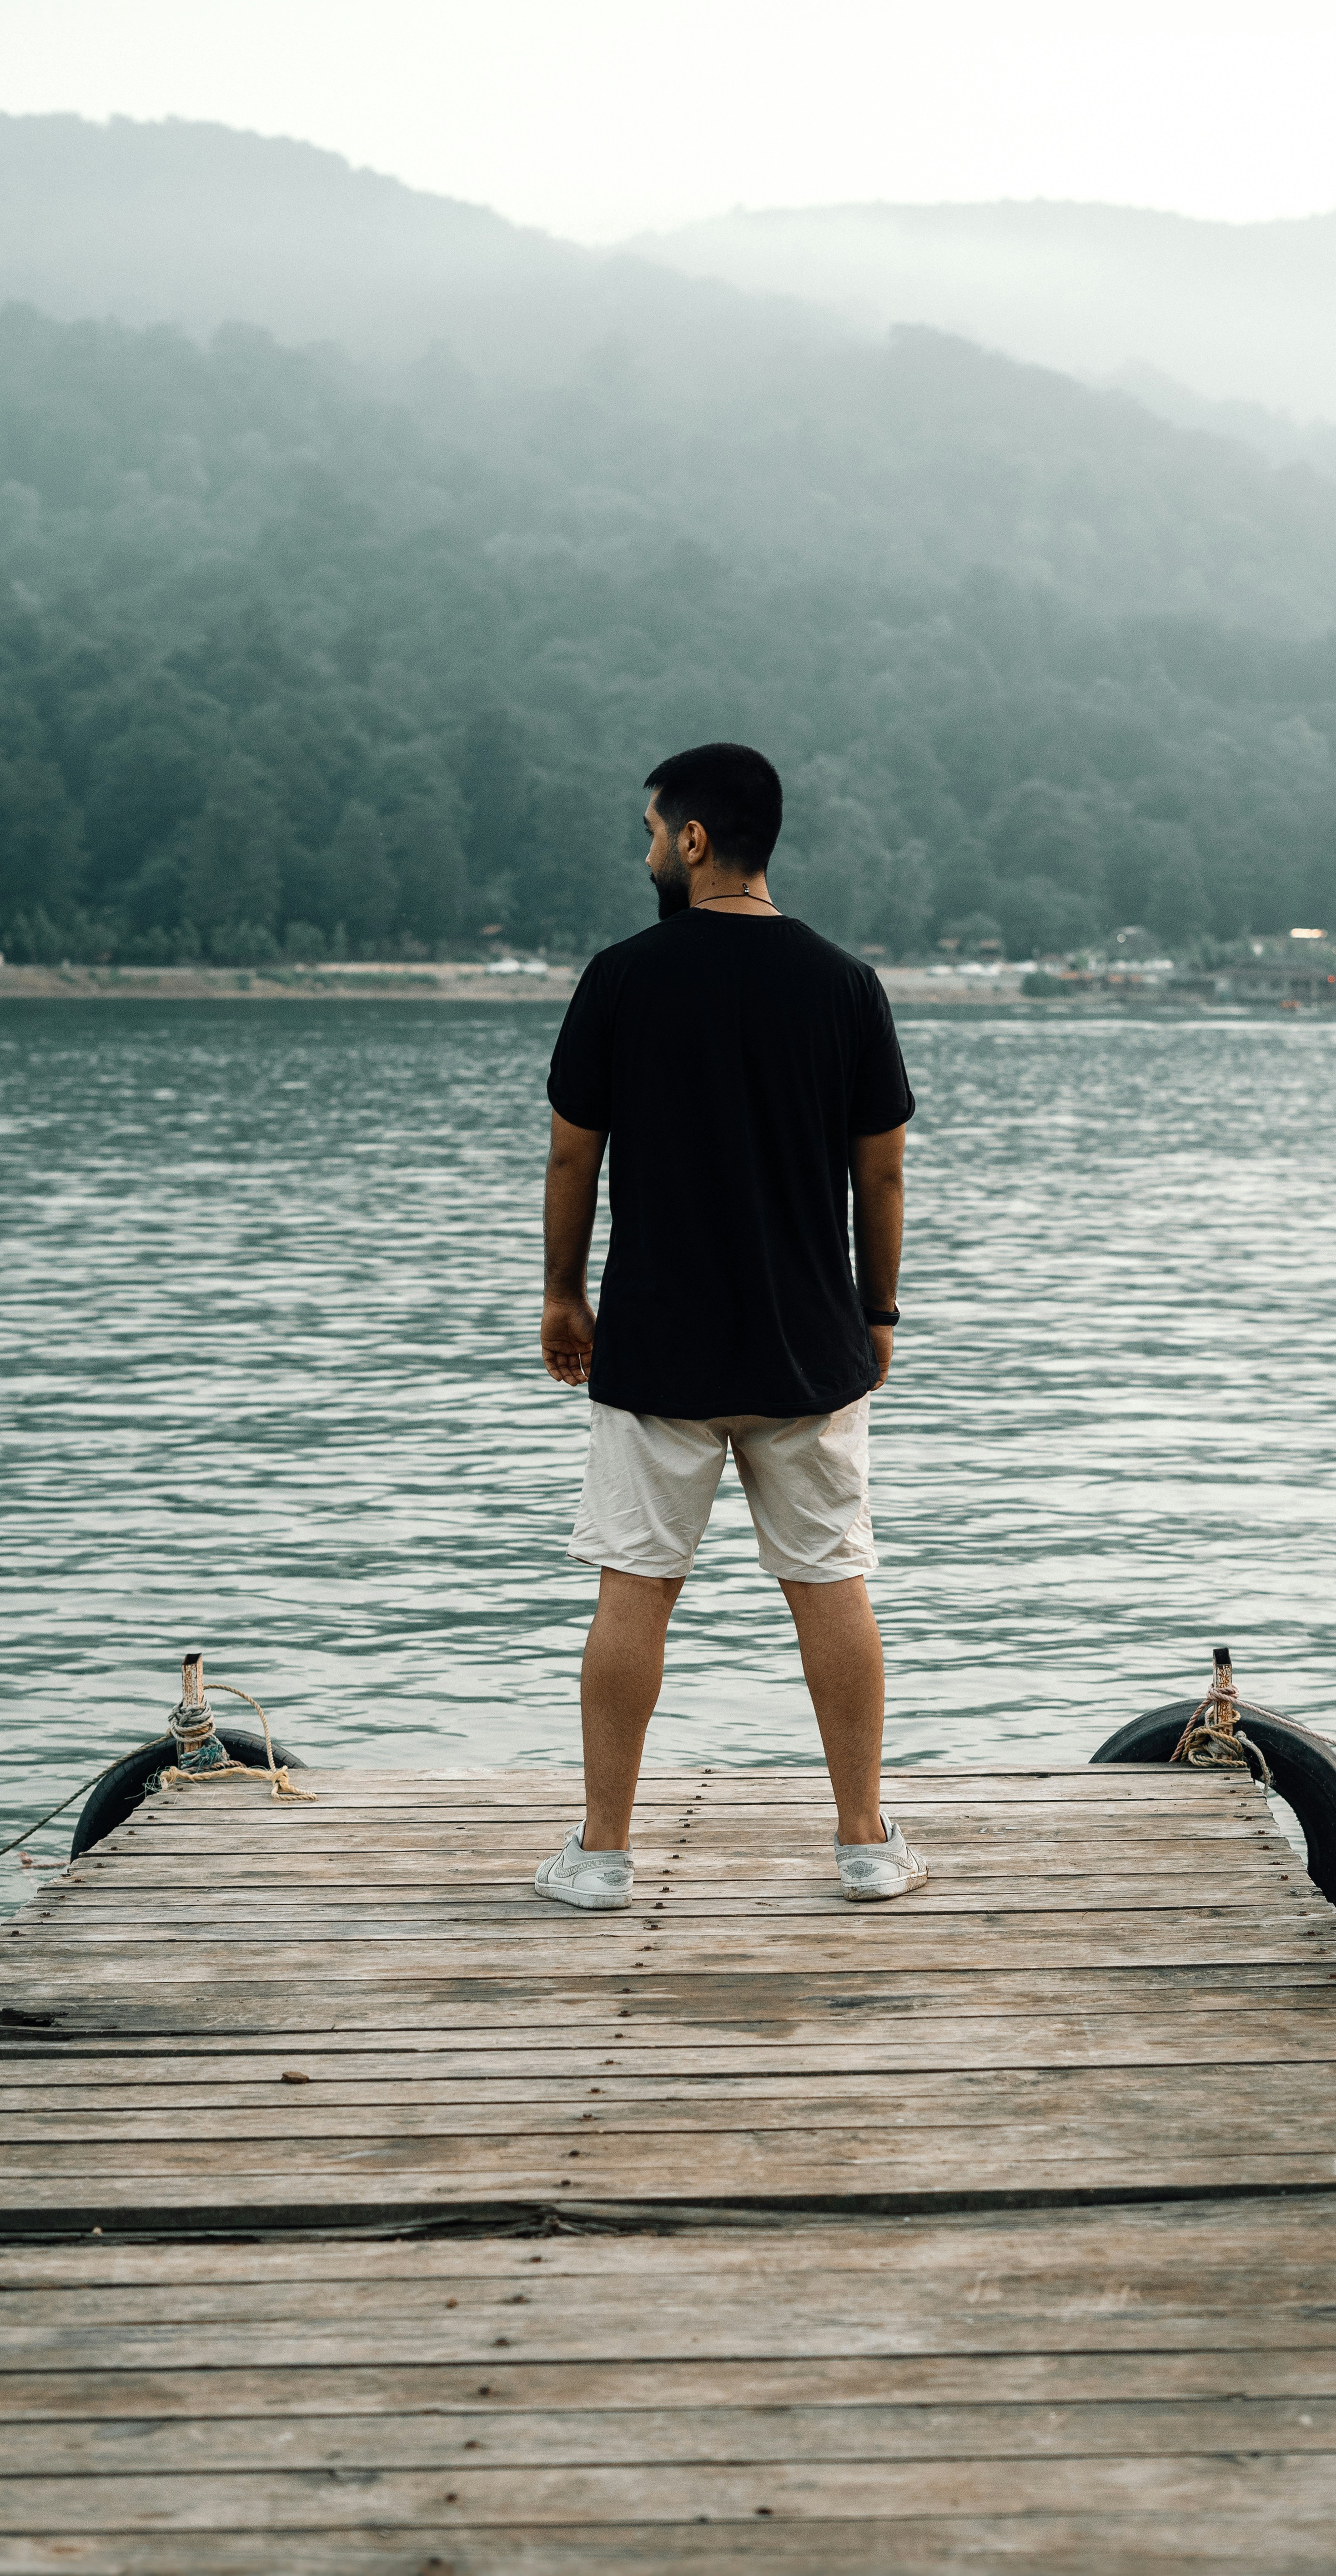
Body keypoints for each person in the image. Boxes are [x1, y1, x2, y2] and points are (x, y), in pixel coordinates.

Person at [534, 741, 922, 1906]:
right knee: (831, 1585)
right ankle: (862, 1845)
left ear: (695, 840)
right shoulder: (845, 985)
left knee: (632, 1590)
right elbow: (883, 1178)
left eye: (653, 829)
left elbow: (571, 1153)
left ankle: (602, 1856)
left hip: (660, 1348)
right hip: (809, 1349)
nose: (647, 848)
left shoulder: (622, 976)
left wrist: (563, 1294)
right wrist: (878, 1314)